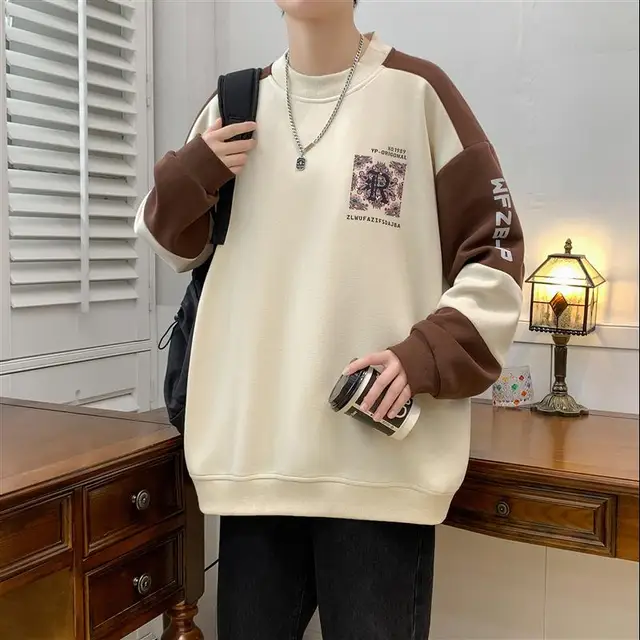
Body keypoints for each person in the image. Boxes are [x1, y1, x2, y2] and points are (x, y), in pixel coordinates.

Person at [135, 0, 525, 637]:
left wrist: (424, 354)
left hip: (378, 469)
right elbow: (170, 244)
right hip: (256, 465)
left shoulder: (419, 92)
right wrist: (196, 169)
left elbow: (497, 251)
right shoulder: (235, 104)